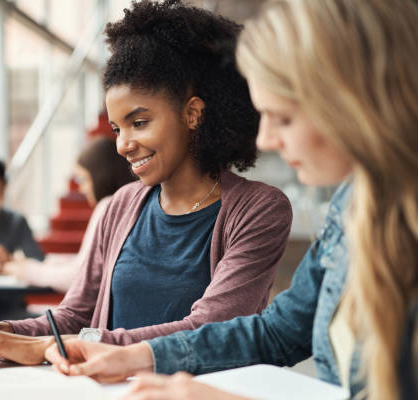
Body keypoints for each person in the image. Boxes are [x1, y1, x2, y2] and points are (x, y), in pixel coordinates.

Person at [44, 1, 418, 399]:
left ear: (357, 103)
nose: (266, 140)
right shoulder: (353, 208)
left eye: (284, 117)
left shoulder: (262, 208)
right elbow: (278, 332)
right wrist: (138, 356)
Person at [0, 0, 293, 368]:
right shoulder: (120, 206)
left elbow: (209, 331)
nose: (123, 144)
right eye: (116, 128)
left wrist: (58, 346)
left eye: (139, 122)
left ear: (192, 114)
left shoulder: (259, 210)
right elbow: (76, 315)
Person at [4, 136, 136, 293]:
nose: (81, 189)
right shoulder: (126, 204)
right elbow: (86, 263)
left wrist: (26, 271)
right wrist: (43, 263)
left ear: (101, 176)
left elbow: (79, 277)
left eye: (84, 179)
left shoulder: (108, 206)